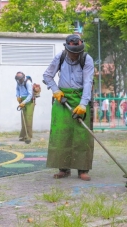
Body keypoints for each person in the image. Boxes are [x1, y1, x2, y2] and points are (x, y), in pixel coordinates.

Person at [43, 34, 94, 181]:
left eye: (77, 53)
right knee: (61, 134)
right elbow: (47, 75)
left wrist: (83, 104)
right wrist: (55, 90)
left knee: (82, 135)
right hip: (62, 99)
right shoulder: (60, 57)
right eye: (72, 53)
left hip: (80, 98)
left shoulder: (86, 59)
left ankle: (83, 170)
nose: (74, 56)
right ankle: (63, 169)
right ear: (67, 48)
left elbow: (88, 83)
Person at [15, 72, 35, 143]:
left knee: (28, 119)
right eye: (18, 80)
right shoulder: (18, 82)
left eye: (20, 80)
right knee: (23, 119)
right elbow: (17, 89)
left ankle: (28, 137)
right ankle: (23, 136)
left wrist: (23, 102)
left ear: (23, 78)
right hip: (22, 100)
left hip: (29, 102)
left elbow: (30, 95)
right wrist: (17, 96)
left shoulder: (28, 83)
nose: (19, 81)